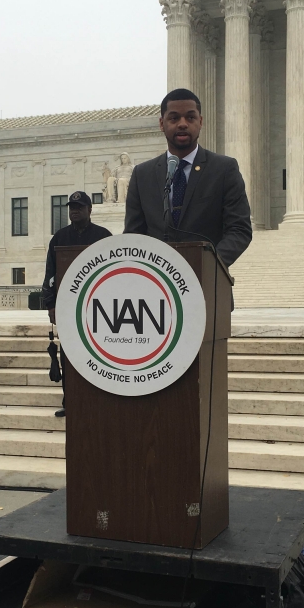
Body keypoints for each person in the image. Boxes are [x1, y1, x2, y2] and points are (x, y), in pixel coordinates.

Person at [125, 88, 253, 269]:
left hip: (207, 282)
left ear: (200, 122)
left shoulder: (224, 169)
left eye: (190, 117)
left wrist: (209, 264)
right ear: (162, 123)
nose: (182, 124)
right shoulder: (142, 174)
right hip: (156, 286)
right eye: (174, 118)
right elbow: (133, 234)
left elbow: (239, 229)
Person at [42, 191, 112, 418]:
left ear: (90, 210)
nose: (74, 210)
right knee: (69, 357)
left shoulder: (103, 236)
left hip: (98, 310)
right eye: (71, 207)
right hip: (68, 309)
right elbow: (50, 275)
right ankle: (70, 400)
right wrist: (51, 305)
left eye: (79, 207)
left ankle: (99, 400)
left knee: (98, 354)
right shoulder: (59, 238)